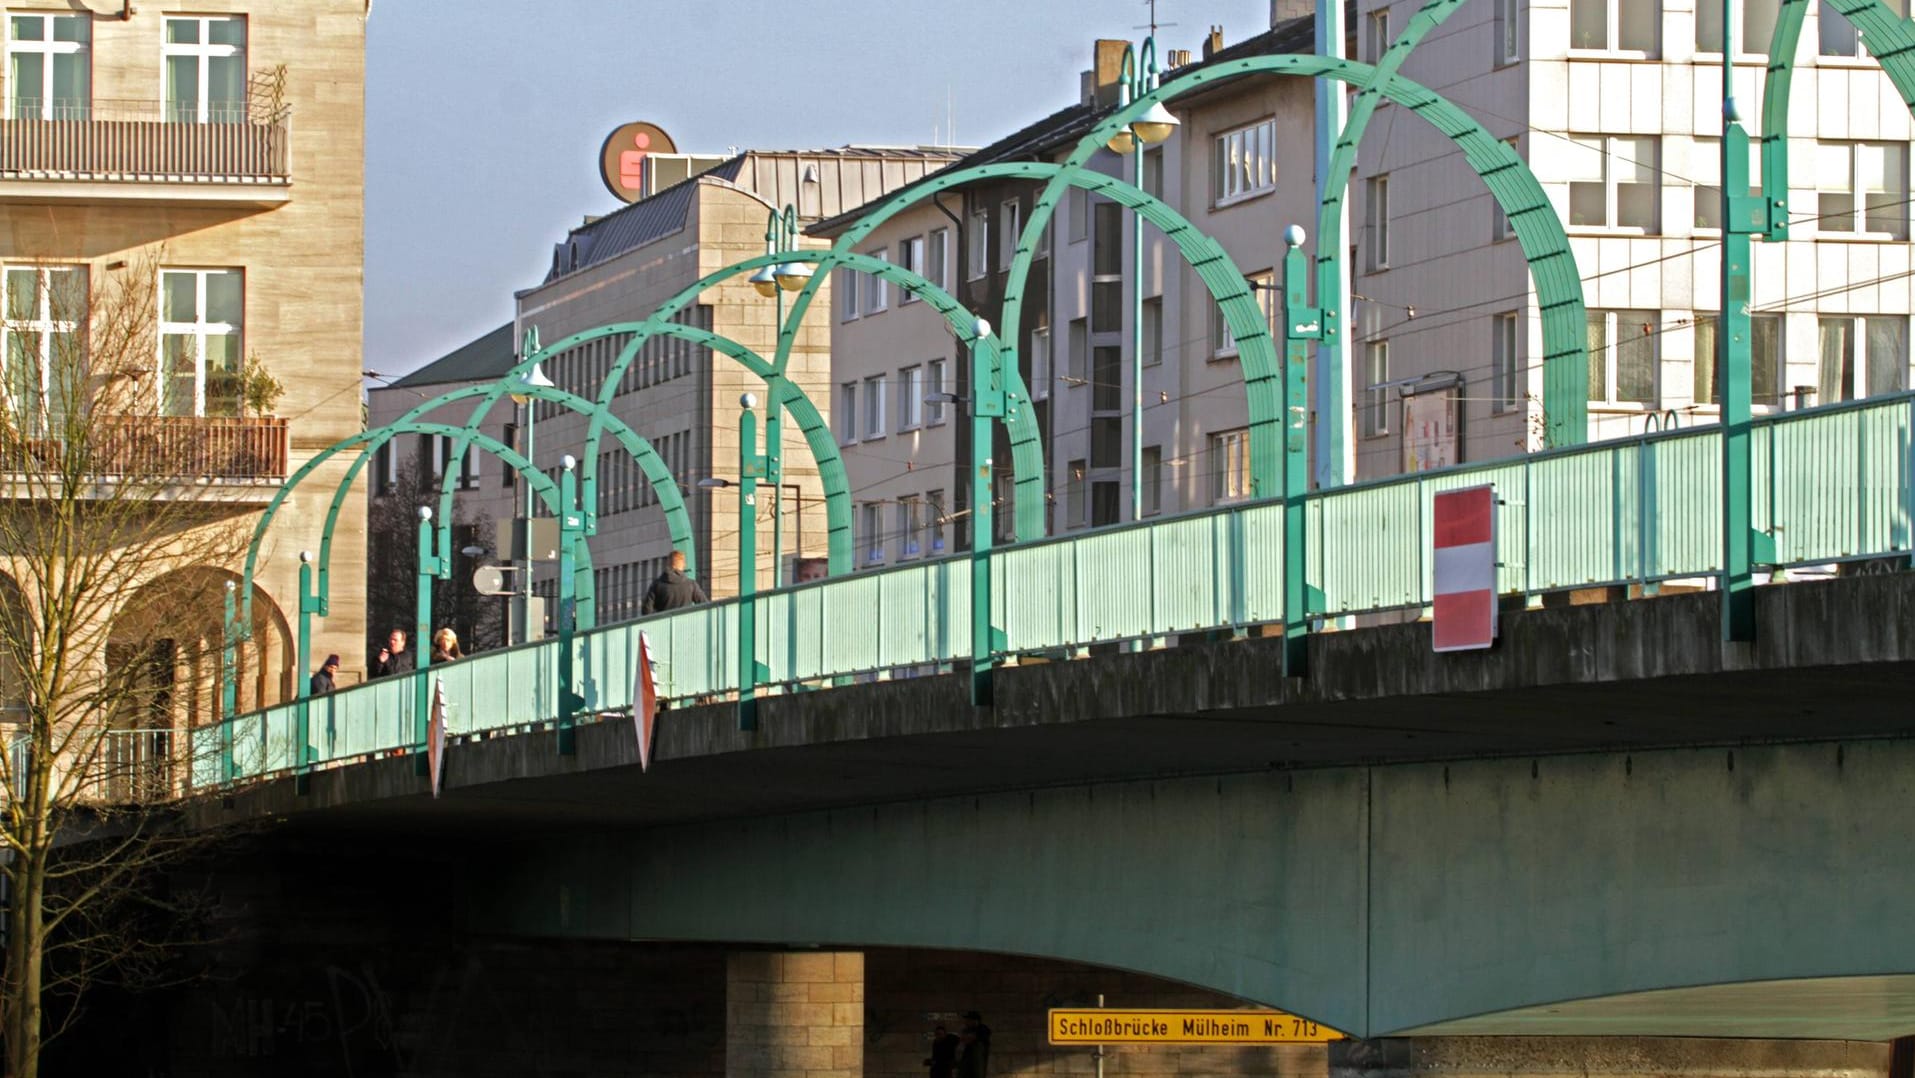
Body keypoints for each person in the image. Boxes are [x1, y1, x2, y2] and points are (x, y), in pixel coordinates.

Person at [642, 550, 708, 614]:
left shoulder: (656, 584)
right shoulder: (691, 584)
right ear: (683, 565)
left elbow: (646, 610)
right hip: (687, 623)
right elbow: (705, 605)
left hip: (664, 623)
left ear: (668, 564)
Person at [957, 1012, 991, 1078]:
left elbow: (969, 1039)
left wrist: (968, 1038)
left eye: (968, 1020)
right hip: (966, 1064)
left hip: (976, 1065)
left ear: (975, 1021)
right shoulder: (967, 1029)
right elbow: (963, 1040)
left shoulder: (982, 1029)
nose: (966, 1022)